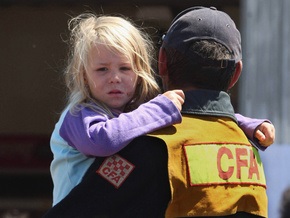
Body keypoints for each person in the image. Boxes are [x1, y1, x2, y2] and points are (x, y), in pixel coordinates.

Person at [44, 9, 275, 217]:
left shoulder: (150, 135)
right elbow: (103, 138)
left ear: (158, 63)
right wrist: (243, 127)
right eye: (102, 69)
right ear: (236, 74)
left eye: (125, 68)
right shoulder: (80, 114)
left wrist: (249, 124)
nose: (115, 77)